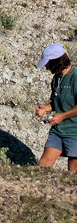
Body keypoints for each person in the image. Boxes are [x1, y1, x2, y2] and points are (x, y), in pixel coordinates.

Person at [35, 43, 77, 173]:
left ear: (57, 62)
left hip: (74, 133)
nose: (47, 67)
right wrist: (46, 108)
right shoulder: (56, 79)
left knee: (73, 172)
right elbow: (57, 102)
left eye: (48, 64)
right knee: (43, 167)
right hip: (58, 131)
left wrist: (62, 116)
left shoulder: (75, 77)